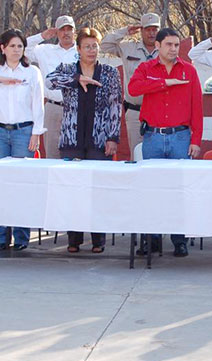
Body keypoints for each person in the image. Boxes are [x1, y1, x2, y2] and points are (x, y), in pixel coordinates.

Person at [45, 27, 122, 254]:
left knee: (98, 190)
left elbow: (116, 105)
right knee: (72, 190)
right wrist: (77, 79)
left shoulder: (109, 72)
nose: (91, 50)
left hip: (99, 140)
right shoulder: (68, 69)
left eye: (95, 46)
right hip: (71, 139)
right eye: (87, 46)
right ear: (78, 49)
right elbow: (49, 82)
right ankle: (74, 239)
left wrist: (113, 137)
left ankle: (98, 239)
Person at [128, 28, 203, 258]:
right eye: (168, 44)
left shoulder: (188, 71)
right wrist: (164, 82)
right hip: (153, 137)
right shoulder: (146, 69)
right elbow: (133, 89)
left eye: (176, 44)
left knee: (179, 190)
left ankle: (179, 240)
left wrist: (196, 140)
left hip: (180, 137)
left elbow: (197, 107)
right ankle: (152, 240)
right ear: (158, 46)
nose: (173, 48)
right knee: (152, 190)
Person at [0, 29, 45, 251]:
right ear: (3, 48)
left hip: (23, 132)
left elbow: (38, 104)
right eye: (12, 46)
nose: (16, 50)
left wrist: (36, 133)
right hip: (0, 133)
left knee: (21, 185)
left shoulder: (32, 72)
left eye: (20, 46)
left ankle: (21, 237)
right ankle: (1, 236)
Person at [101, 13, 160, 160]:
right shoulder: (128, 48)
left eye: (155, 29)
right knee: (137, 155)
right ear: (141, 30)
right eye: (148, 29)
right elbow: (104, 45)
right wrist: (125, 31)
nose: (152, 33)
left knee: (159, 155)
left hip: (159, 111)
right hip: (135, 111)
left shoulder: (166, 50)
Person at [25, 15, 78, 159]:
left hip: (77, 107)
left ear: (74, 31)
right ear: (57, 32)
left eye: (69, 29)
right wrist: (42, 36)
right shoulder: (45, 50)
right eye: (62, 29)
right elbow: (23, 47)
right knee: (52, 153)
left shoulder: (83, 51)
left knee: (76, 153)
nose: (66, 33)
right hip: (53, 107)